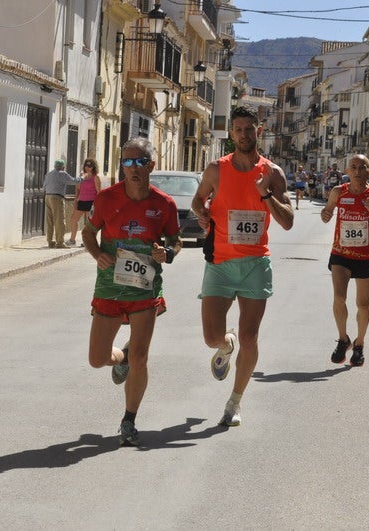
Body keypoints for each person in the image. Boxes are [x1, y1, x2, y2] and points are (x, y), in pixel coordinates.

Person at [191, 106, 294, 427]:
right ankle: (225, 344)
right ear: (231, 133)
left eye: (249, 129)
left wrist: (265, 195)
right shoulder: (215, 170)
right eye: (238, 129)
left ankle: (234, 402)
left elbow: (288, 221)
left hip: (255, 264)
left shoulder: (273, 173)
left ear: (258, 131)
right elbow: (198, 200)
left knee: (250, 338)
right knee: (211, 337)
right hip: (220, 263)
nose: (244, 134)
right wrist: (201, 213)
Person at [81, 137, 182, 447]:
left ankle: (129, 419)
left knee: (141, 357)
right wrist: (97, 254)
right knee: (98, 359)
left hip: (145, 287)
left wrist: (168, 251)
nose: (133, 168)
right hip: (110, 286)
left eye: (139, 162)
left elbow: (175, 241)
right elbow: (88, 233)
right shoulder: (107, 198)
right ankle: (120, 356)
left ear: (151, 165)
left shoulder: (164, 204)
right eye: (127, 162)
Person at [320, 154, 369, 367]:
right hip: (341, 254)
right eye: (353, 167)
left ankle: (359, 344)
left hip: (366, 256)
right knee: (339, 298)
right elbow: (327, 211)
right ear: (347, 171)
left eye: (362, 167)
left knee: (363, 303)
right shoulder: (338, 191)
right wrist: (325, 214)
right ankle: (343, 339)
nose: (358, 171)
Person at [42, 159, 79, 248]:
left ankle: (50, 241)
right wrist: (82, 178)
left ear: (54, 166)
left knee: (50, 221)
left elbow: (44, 186)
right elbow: (74, 181)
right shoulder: (62, 174)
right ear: (63, 167)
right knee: (59, 221)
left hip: (47, 197)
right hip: (57, 198)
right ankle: (59, 242)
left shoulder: (49, 174)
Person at [67, 158, 102, 246]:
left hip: (91, 202)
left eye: (90, 166)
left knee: (89, 223)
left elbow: (99, 192)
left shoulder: (95, 177)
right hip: (82, 201)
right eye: (86, 165)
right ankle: (72, 240)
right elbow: (78, 189)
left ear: (93, 167)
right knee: (73, 219)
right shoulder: (81, 176)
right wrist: (76, 200)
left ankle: (87, 242)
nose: (88, 167)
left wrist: (97, 204)